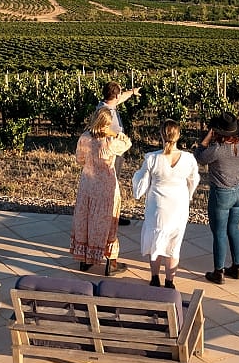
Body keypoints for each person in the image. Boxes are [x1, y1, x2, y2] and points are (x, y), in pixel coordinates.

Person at [132, 120, 200, 289]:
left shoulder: (152, 158)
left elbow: (141, 182)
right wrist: (189, 195)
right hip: (179, 205)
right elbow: (194, 180)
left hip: (158, 206)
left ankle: (155, 278)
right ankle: (170, 281)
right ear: (178, 136)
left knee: (156, 240)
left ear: (161, 135)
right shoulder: (189, 159)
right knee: (174, 243)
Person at [71, 107, 133, 275]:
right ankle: (111, 263)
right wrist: (116, 133)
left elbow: (79, 160)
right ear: (107, 124)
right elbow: (128, 143)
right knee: (108, 223)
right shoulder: (110, 142)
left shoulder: (84, 138)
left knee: (86, 220)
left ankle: (85, 259)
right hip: (106, 188)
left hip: (87, 185)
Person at [194, 111, 239, 284]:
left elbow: (199, 157)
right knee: (233, 229)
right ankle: (237, 267)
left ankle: (218, 272)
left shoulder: (217, 150)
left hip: (221, 194)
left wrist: (205, 140)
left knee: (219, 233)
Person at [97, 81, 140, 225]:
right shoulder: (104, 111)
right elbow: (101, 129)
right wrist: (118, 135)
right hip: (110, 153)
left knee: (113, 183)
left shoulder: (110, 105)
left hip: (116, 151)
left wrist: (132, 92)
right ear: (115, 95)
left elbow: (121, 98)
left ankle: (112, 214)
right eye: (119, 93)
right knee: (110, 184)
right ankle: (109, 216)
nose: (121, 95)